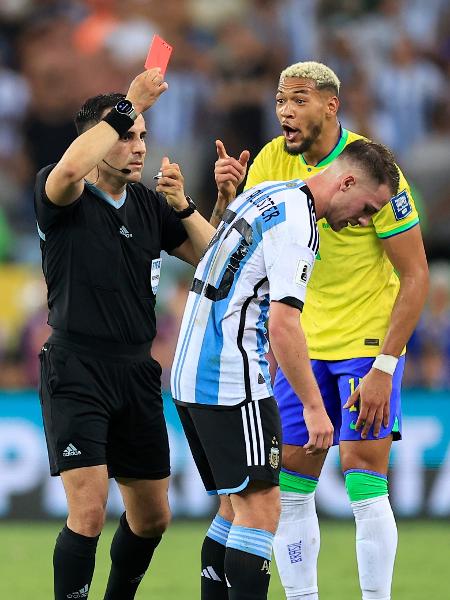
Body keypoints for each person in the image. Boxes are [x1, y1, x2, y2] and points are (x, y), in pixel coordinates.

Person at [214, 61, 429, 600]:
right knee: (291, 487)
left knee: (363, 477)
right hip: (296, 342)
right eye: (281, 100)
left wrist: (385, 364)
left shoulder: (371, 168)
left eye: (300, 100)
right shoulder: (267, 160)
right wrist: (224, 199)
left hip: (363, 343)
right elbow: (229, 246)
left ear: (331, 105)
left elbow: (416, 272)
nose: (286, 110)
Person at [171, 138, 401, 600]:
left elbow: (213, 255)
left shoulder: (267, 193)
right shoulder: (300, 223)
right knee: (261, 506)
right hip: (231, 375)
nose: (363, 221)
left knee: (233, 509)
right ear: (348, 181)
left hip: (188, 370)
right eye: (368, 207)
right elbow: (283, 322)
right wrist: (316, 409)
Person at [34, 67, 226, 600]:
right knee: (89, 511)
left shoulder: (147, 203)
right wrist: (130, 101)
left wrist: (200, 205)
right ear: (96, 140)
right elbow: (73, 165)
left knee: (153, 519)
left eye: (142, 134)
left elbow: (216, 265)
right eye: (125, 135)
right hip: (77, 368)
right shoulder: (62, 190)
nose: (138, 145)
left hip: (138, 371)